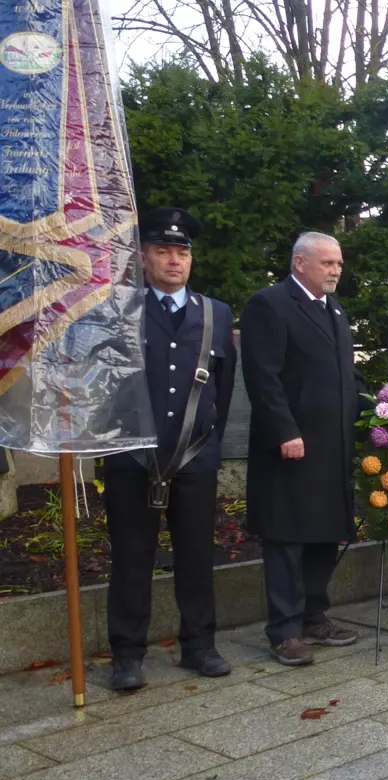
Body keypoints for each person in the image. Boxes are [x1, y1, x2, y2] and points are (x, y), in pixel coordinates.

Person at [104, 209, 237, 691]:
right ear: (144, 259)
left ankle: (199, 646)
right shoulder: (118, 310)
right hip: (130, 456)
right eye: (163, 251)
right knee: (131, 556)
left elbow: (222, 385)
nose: (174, 260)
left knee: (198, 555)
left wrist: (208, 447)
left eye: (182, 252)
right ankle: (127, 654)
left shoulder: (215, 313)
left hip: (193, 457)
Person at [240, 232, 361, 666]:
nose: (335, 271)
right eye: (327, 263)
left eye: (339, 264)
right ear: (299, 263)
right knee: (288, 538)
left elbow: (345, 376)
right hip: (292, 447)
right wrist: (285, 431)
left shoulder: (335, 311)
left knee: (325, 534)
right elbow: (263, 377)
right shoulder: (270, 305)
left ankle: (314, 615)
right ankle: (284, 630)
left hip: (333, 447)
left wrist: (380, 411)